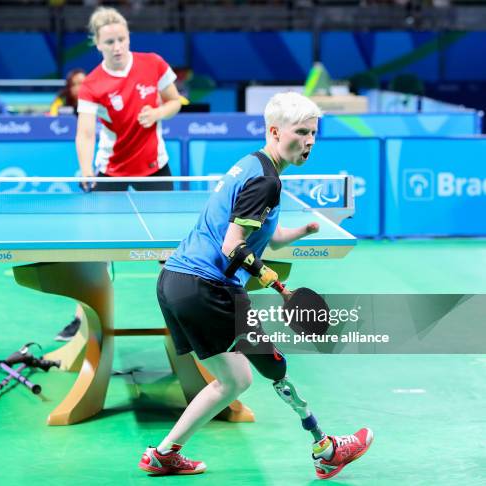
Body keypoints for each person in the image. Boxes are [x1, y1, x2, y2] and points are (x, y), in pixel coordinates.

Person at [138, 92, 373, 478]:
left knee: (235, 380)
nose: (310, 140)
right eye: (301, 132)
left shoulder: (253, 164)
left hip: (175, 283)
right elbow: (233, 245)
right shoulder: (266, 181)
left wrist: (302, 231)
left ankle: (163, 454)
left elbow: (268, 234)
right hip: (208, 288)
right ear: (276, 131)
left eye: (314, 132)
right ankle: (326, 448)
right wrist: (269, 277)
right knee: (274, 366)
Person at [54, 6, 182, 341]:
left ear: (128, 37)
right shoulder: (93, 84)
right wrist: (85, 171)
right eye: (109, 41)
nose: (117, 46)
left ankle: (181, 315)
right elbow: (84, 133)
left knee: (168, 249)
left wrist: (157, 112)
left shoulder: (152, 63)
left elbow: (175, 101)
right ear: (97, 43)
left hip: (155, 167)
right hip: (110, 170)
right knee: (96, 250)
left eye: (122, 39)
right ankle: (82, 318)